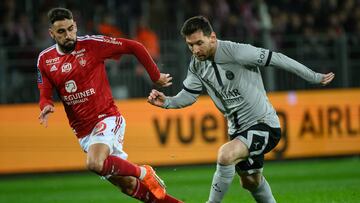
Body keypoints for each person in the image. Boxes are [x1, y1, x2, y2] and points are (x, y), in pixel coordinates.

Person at [147, 16, 335, 203]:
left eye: (199, 43)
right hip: (237, 131)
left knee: (226, 155)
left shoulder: (238, 52)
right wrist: (167, 102)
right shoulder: (197, 64)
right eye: (190, 45)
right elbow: (189, 95)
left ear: (212, 37)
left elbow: (277, 58)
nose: (195, 50)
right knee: (251, 182)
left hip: (264, 124)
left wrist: (314, 77)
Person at [37, 7, 183, 203]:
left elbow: (135, 46)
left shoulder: (92, 44)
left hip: (106, 118)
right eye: (61, 31)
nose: (68, 35)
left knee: (94, 163)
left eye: (71, 29)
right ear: (51, 33)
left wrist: (155, 76)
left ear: (75, 26)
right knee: (128, 185)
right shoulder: (45, 60)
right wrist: (45, 105)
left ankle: (144, 171)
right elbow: (44, 94)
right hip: (83, 133)